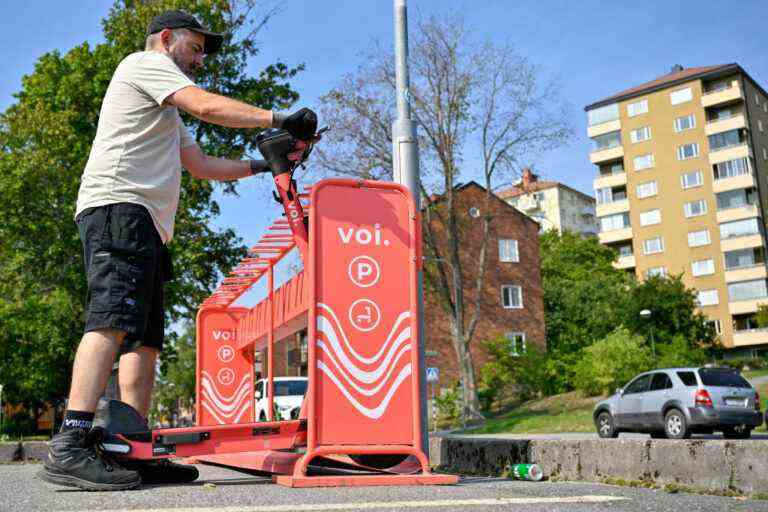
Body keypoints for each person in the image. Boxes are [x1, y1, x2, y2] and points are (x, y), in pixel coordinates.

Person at [38, 10, 317, 491]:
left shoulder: (163, 106)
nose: (202, 58)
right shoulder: (142, 65)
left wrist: (262, 162)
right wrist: (278, 118)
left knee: (144, 338)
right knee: (109, 319)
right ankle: (71, 442)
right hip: (118, 209)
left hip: (143, 221)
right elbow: (206, 107)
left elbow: (202, 164)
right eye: (197, 46)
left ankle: (133, 443)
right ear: (166, 38)